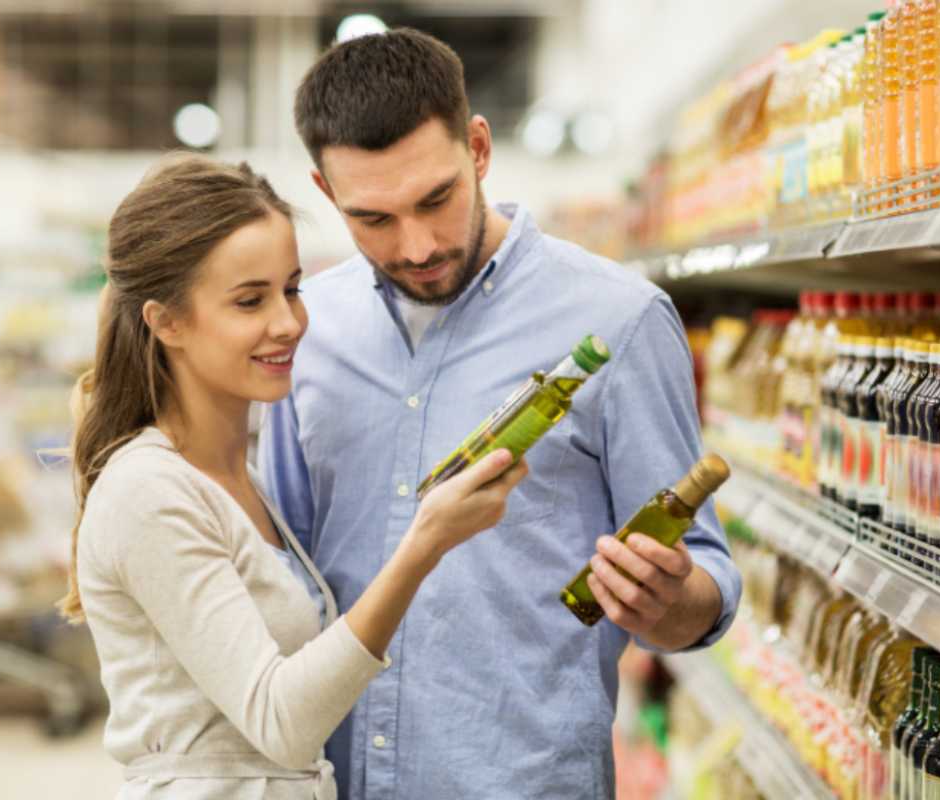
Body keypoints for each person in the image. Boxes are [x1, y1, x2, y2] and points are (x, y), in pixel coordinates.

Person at [258, 28, 744, 798]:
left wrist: (669, 600)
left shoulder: (620, 322)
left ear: (478, 149)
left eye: (435, 199)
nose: (415, 245)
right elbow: (277, 571)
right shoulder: (305, 330)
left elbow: (706, 584)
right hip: (330, 779)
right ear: (324, 194)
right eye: (373, 219)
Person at [60, 153, 528, 799]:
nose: (288, 322)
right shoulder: (148, 491)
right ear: (166, 321)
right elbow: (280, 721)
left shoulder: (238, 477)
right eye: (250, 300)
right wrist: (424, 546)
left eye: (292, 288)